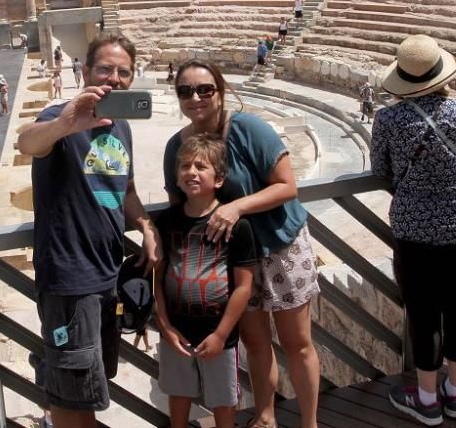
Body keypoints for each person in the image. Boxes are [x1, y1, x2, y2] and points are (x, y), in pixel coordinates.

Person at [165, 59, 320, 428]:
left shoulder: (248, 128)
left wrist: (236, 207)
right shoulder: (178, 146)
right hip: (233, 262)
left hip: (281, 247)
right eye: (186, 91)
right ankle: (266, 416)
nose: (196, 98)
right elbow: (180, 208)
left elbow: (287, 186)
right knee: (255, 343)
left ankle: (310, 423)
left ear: (220, 90)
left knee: (297, 344)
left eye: (205, 89)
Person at [17, 34, 161, 428]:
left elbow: (125, 189)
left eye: (123, 72)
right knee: (70, 394)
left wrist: (146, 225)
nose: (114, 78)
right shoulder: (59, 118)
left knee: (89, 385)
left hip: (107, 278)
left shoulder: (121, 128)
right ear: (85, 71)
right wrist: (66, 123)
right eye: (105, 69)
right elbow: (26, 141)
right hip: (70, 280)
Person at [371, 35, 456, 425]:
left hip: (416, 230)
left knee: (422, 313)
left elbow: (380, 170)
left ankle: (426, 399)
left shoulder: (387, 118)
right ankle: (455, 394)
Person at [155, 133, 256, 428]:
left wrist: (222, 334)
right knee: (178, 395)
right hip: (175, 334)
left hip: (218, 335)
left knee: (223, 401)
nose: (191, 172)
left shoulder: (238, 227)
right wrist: (165, 326)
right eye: (185, 166)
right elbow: (157, 279)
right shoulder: (166, 221)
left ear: (219, 179)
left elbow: (244, 286)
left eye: (201, 166)